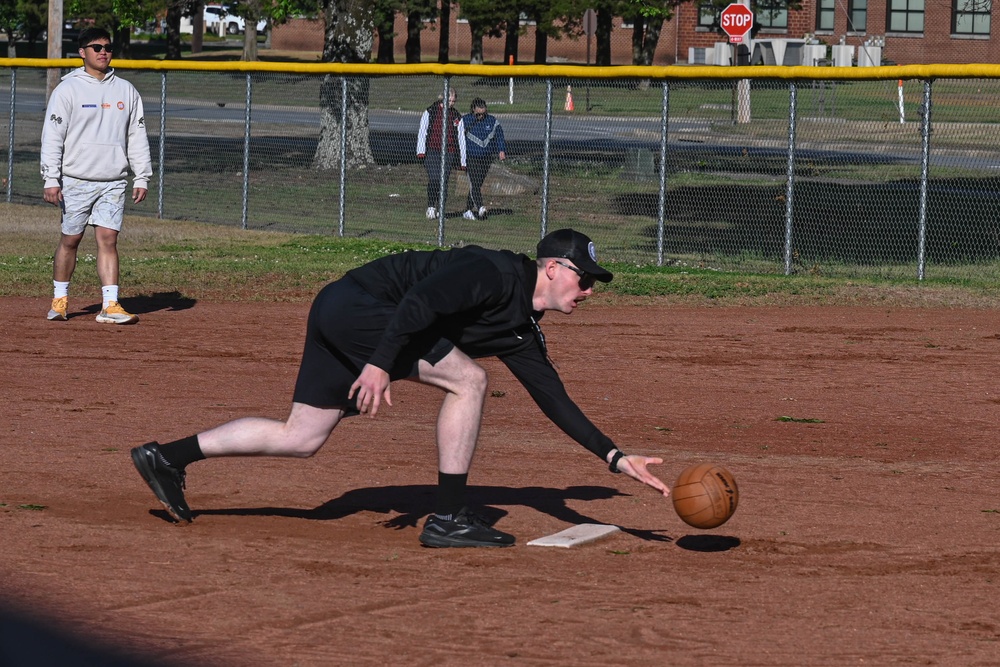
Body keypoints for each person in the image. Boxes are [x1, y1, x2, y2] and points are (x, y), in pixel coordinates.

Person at [131, 228, 670, 548]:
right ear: (553, 268)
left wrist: (617, 458)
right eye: (586, 278)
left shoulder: (520, 329)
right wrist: (380, 365)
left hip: (346, 312)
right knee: (470, 380)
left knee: (302, 436)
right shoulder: (493, 272)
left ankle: (168, 457)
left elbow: (553, 398)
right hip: (361, 307)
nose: (590, 290)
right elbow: (417, 306)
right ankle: (449, 519)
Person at [41, 27, 152, 325]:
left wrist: (142, 176)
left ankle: (110, 305)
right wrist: (51, 178)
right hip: (76, 179)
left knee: (108, 238)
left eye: (108, 47)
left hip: (113, 180)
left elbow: (137, 136)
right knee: (71, 239)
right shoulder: (67, 89)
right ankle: (60, 300)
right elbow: (52, 137)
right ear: (82, 52)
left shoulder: (126, 90)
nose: (103, 51)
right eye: (96, 47)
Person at [416, 89, 466, 220]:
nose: (451, 103)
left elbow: (461, 138)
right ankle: (431, 206)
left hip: (448, 152)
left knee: (444, 182)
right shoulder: (431, 111)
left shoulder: (456, 116)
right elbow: (423, 131)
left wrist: (463, 160)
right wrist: (421, 151)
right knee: (434, 178)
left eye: (453, 101)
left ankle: (441, 210)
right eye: (449, 100)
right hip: (432, 151)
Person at [461, 98, 506, 221]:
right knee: (474, 183)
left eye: (483, 114)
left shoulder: (492, 121)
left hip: (486, 158)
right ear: (473, 110)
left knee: (476, 185)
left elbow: (499, 136)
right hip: (471, 158)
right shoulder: (465, 120)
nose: (481, 116)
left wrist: (501, 150)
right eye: (478, 114)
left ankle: (468, 210)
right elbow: (458, 137)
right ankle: (481, 208)